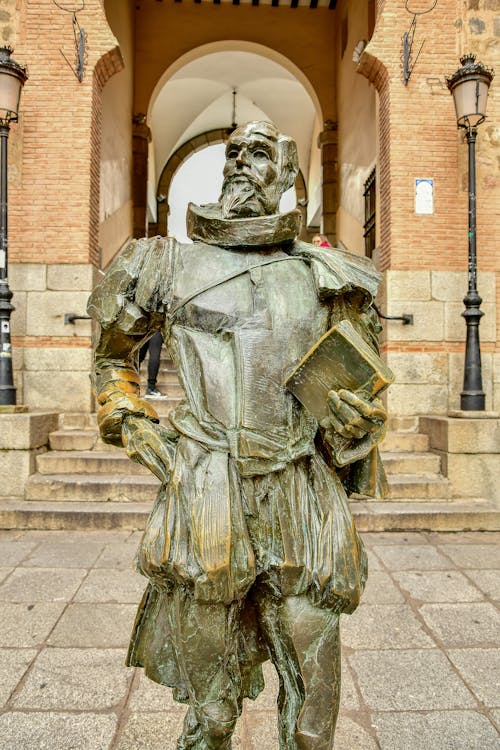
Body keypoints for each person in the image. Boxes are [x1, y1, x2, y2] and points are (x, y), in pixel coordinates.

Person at [87, 121, 388, 750]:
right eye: (233, 154)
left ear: (287, 176)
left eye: (259, 154)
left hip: (300, 492)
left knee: (312, 723)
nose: (241, 164)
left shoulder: (326, 278)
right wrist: (133, 424)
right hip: (207, 492)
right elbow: (111, 358)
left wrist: (358, 429)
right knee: (212, 717)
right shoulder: (165, 263)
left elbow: (356, 404)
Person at [138, 329, 167, 398]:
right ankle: (151, 388)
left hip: (143, 326)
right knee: (154, 356)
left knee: (139, 356)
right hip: (155, 328)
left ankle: (130, 383)